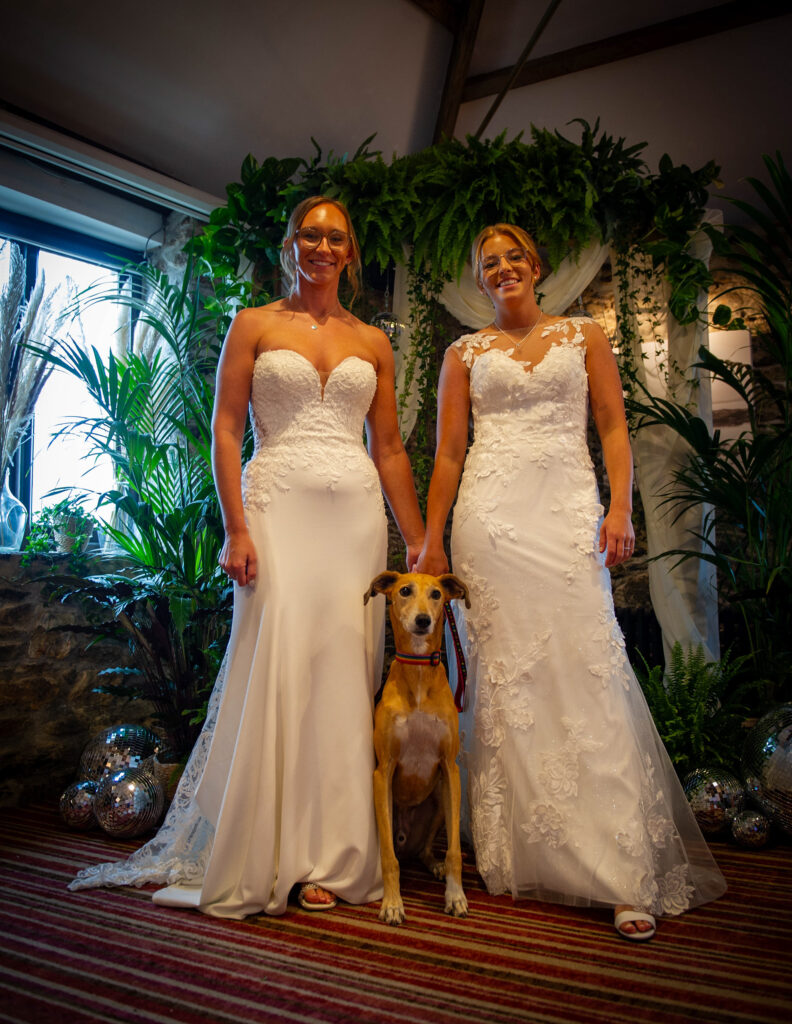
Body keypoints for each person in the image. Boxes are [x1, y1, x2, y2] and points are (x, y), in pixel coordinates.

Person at [70, 196, 424, 917]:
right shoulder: (254, 324)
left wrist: (418, 540)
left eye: (335, 238)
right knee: (278, 661)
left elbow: (388, 447)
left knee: (342, 670)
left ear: (350, 253)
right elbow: (226, 430)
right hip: (275, 511)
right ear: (290, 244)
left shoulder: (373, 342)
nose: (322, 247)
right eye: (309, 235)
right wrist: (236, 528)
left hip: (355, 520)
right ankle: (269, 847)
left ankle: (332, 856)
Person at [416, 222, 726, 940]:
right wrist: (432, 541)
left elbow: (614, 428)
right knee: (506, 684)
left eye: (513, 257)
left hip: (565, 517)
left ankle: (619, 869)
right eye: (489, 263)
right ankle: (523, 848)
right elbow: (449, 453)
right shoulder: (463, 354)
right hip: (489, 524)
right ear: (479, 278)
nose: (503, 269)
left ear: (537, 265)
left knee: (587, 672)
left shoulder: (583, 335)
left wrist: (620, 508)